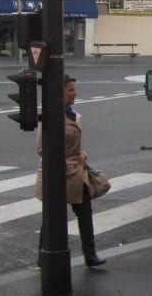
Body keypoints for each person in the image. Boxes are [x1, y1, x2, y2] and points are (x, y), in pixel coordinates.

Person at [35, 75, 105, 268]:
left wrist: (81, 155)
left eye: (74, 89)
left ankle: (90, 255)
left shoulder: (74, 115)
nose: (75, 93)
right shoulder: (49, 115)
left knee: (85, 213)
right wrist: (64, 161)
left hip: (76, 173)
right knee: (52, 216)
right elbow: (41, 148)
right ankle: (42, 257)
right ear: (60, 92)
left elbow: (76, 145)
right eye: (71, 90)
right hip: (57, 174)